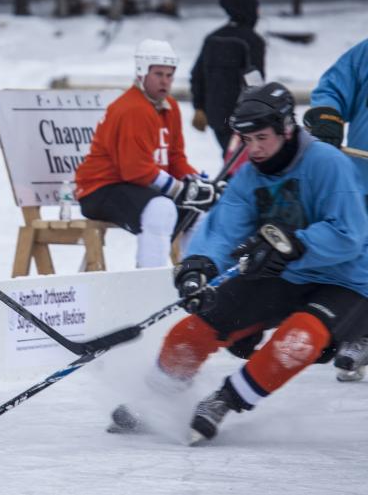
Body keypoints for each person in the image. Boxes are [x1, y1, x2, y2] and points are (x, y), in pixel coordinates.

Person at [108, 82, 368, 444]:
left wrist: (297, 244)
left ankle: (223, 402)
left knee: (298, 340)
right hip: (284, 271)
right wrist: (199, 266)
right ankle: (154, 399)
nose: (255, 149)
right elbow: (224, 228)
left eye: (262, 137)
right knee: (193, 329)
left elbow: (350, 234)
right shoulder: (250, 175)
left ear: (286, 128)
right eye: (247, 141)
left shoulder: (328, 164)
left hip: (345, 279)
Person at [75, 39, 219, 268]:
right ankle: (149, 281)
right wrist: (181, 189)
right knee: (160, 209)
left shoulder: (169, 108)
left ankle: (193, 278)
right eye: (158, 74)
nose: (165, 81)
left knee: (198, 211)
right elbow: (134, 170)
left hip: (137, 187)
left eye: (169, 75)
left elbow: (175, 159)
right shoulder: (132, 109)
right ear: (142, 73)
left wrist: (198, 183)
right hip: (100, 188)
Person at [305, 38, 368, 381]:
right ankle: (359, 336)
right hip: (361, 180)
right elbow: (332, 88)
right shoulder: (365, 54)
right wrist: (328, 119)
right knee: (360, 260)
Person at [190, 0, 266, 160]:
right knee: (241, 164)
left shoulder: (213, 38)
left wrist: (199, 107)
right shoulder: (251, 41)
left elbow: (197, 76)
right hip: (243, 118)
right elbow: (255, 83)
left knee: (230, 159)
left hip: (217, 117)